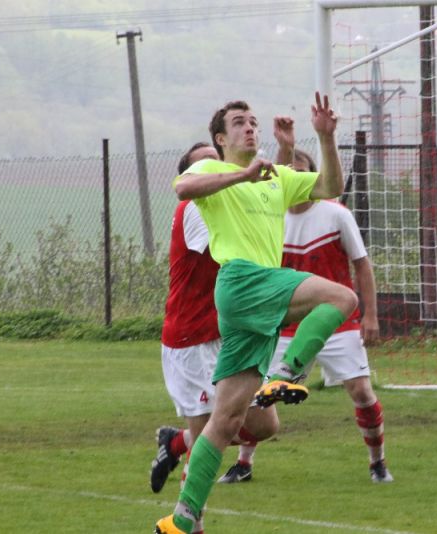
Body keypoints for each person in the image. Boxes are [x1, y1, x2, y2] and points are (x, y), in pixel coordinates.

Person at [156, 92, 358, 534]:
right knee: (342, 299)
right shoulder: (213, 168)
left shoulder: (275, 177)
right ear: (220, 138)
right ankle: (287, 370)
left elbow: (331, 188)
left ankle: (182, 519)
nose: (250, 127)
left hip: (248, 302)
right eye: (239, 122)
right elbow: (182, 189)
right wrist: (242, 174)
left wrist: (326, 137)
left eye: (253, 121)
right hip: (243, 280)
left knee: (226, 420)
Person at [217, 149, 392, 485]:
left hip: (334, 317)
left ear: (313, 179)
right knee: (258, 395)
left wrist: (370, 315)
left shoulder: (336, 215)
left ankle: (377, 462)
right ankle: (243, 463)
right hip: (287, 321)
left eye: (303, 173)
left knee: (361, 391)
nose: (295, 179)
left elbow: (361, 264)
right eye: (289, 172)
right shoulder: (270, 216)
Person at [151, 137, 290, 507]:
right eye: (204, 165)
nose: (215, 169)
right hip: (192, 339)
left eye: (217, 162)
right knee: (210, 439)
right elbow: (236, 251)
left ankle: (174, 442)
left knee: (264, 426)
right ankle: (185, 522)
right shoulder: (197, 209)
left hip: (226, 334)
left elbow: (274, 200)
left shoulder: (230, 203)